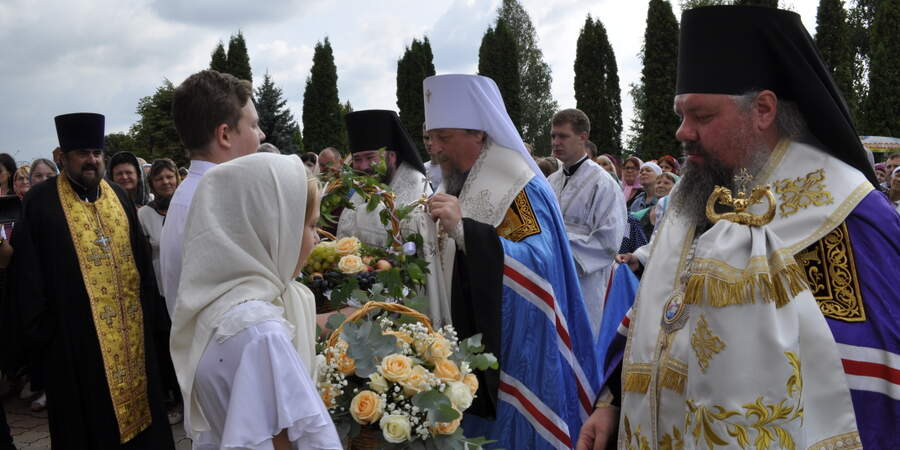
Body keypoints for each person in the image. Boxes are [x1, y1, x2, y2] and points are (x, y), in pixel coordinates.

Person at [578, 6, 899, 449]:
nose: (682, 132)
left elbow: (869, 373)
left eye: (702, 117)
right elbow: (656, 311)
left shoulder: (841, 210)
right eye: (681, 114)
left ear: (763, 110)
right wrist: (611, 401)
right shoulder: (696, 195)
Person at [424, 74, 600, 449]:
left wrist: (466, 231)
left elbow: (539, 260)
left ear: (479, 134)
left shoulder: (516, 184)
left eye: (445, 137)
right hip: (459, 347)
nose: (435, 149)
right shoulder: (451, 181)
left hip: (509, 355)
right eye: (430, 137)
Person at [12, 112, 175, 449]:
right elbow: (29, 277)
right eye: (83, 153)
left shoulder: (118, 195)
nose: (92, 161)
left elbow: (143, 264)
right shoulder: (40, 203)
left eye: (97, 153)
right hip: (74, 344)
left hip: (132, 339)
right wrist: (42, 339)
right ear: (62, 157)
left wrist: (151, 321)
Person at [170, 153, 341, 449]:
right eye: (311, 226)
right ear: (273, 228)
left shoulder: (215, 303)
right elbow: (285, 440)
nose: (316, 240)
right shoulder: (261, 336)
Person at [159, 69, 265, 315]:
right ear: (225, 134)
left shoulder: (195, 193)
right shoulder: (215, 203)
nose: (261, 135)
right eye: (254, 125)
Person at [547, 108, 626, 342]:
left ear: (582, 137)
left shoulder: (604, 183)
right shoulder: (550, 181)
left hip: (584, 280)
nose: (556, 142)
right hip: (549, 276)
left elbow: (609, 241)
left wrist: (557, 248)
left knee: (578, 342)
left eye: (563, 136)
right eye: (553, 136)